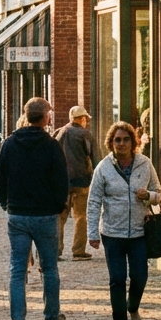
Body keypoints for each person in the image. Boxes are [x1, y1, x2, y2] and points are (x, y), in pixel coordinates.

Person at [0, 97, 69, 320]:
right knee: (49, 268)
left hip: (17, 215)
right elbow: (61, 181)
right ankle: (50, 317)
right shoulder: (51, 145)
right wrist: (58, 207)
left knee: (17, 270)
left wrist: (7, 204)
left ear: (26, 115)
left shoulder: (10, 144)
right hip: (46, 215)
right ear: (45, 117)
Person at [86, 121, 161, 320]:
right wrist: (92, 233)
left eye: (125, 139)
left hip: (139, 232)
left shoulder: (145, 164)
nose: (121, 143)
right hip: (112, 233)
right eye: (117, 140)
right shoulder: (103, 167)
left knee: (140, 276)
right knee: (117, 279)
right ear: (111, 143)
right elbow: (93, 202)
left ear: (133, 141)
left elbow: (159, 194)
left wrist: (148, 196)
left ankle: (132, 306)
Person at [54, 105, 98, 261]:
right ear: (82, 119)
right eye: (85, 118)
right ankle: (78, 251)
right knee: (81, 216)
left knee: (60, 217)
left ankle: (56, 250)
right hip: (81, 181)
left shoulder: (59, 133)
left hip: (62, 182)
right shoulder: (85, 134)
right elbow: (95, 157)